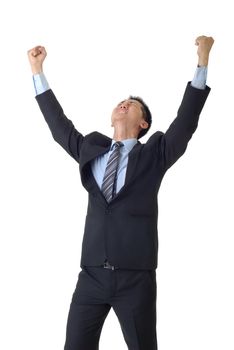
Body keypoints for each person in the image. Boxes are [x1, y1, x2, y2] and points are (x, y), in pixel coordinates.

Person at [27, 35, 214, 350]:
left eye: (133, 105)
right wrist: (36, 70)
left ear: (142, 124)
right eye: (121, 102)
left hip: (135, 279)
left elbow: (186, 122)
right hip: (91, 277)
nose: (123, 104)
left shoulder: (155, 154)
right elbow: (58, 126)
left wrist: (203, 61)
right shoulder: (91, 149)